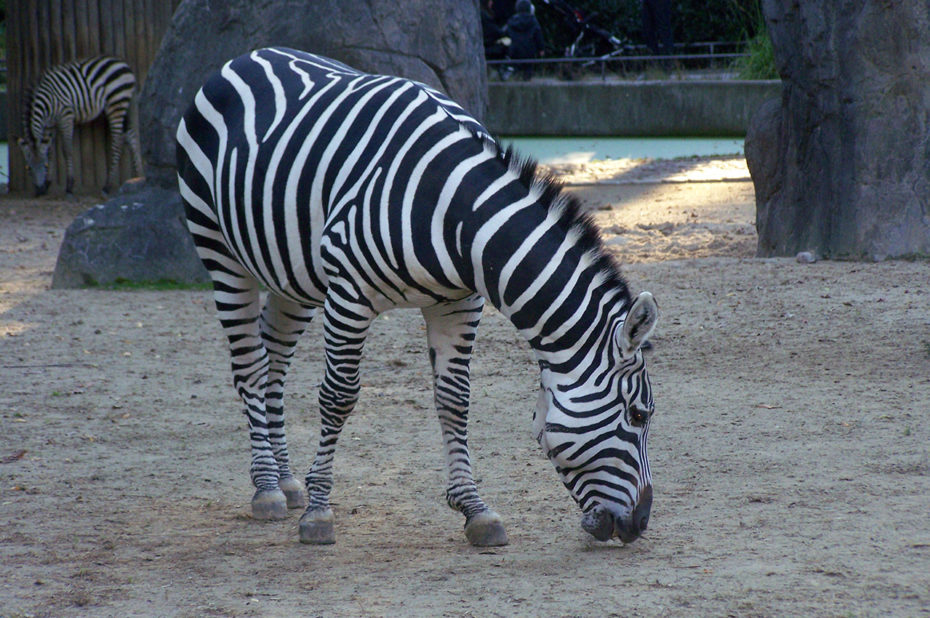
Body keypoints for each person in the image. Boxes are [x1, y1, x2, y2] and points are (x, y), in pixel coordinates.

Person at [504, 0, 545, 80]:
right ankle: (527, 81)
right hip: (529, 51)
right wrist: (541, 48)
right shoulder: (533, 21)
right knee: (528, 70)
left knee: (516, 70)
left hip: (514, 51)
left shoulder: (512, 20)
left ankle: (516, 81)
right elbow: (538, 35)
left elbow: (505, 33)